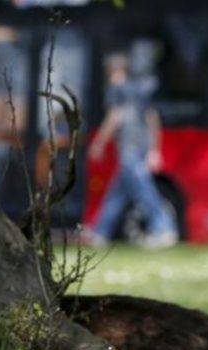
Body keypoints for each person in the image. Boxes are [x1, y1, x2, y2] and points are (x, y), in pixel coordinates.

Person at [85, 54, 177, 249]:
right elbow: (153, 119)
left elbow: (114, 117)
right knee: (117, 193)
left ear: (113, 72)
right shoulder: (139, 90)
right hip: (141, 146)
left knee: (144, 190)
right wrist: (154, 150)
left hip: (129, 147)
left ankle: (164, 229)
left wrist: (99, 143)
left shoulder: (116, 90)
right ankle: (100, 233)